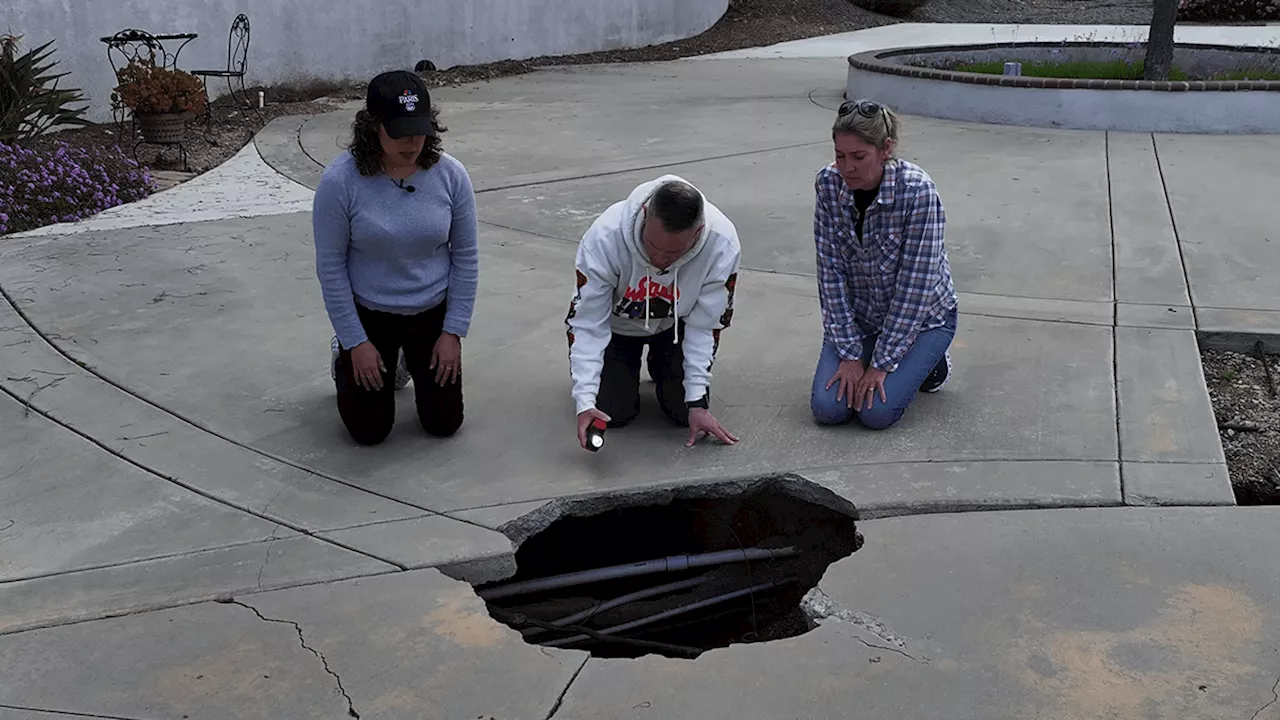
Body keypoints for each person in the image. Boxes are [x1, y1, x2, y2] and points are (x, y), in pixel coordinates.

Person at [312, 69, 479, 445]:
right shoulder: (340, 181)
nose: (413, 142)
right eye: (400, 132)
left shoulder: (452, 176)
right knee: (369, 432)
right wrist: (354, 340)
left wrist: (453, 331)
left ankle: (405, 360)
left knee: (443, 424)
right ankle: (345, 361)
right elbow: (331, 267)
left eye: (420, 130)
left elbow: (466, 257)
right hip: (370, 311)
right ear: (373, 127)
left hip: (431, 309)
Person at [810, 98, 958, 430]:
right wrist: (849, 354)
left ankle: (933, 362)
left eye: (859, 157)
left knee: (875, 414)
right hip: (863, 317)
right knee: (827, 410)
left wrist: (881, 364)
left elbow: (914, 290)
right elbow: (829, 274)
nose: (847, 168)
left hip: (923, 320)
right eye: (840, 156)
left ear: (885, 149)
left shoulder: (918, 192)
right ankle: (880, 354)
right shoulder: (827, 185)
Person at [565, 175, 742, 449]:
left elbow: (707, 325)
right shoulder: (605, 237)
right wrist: (585, 400)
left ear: (698, 233)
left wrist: (697, 401)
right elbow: (587, 323)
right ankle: (627, 367)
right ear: (645, 215)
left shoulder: (722, 243)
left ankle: (662, 363)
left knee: (684, 414)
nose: (660, 261)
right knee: (615, 413)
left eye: (673, 254)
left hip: (675, 327)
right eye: (653, 247)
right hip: (617, 328)